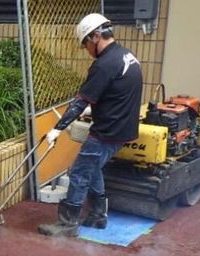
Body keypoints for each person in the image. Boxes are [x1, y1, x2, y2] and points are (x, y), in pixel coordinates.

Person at [39, 13, 143, 237]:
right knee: (93, 167)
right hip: (123, 128)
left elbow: (80, 101)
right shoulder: (126, 55)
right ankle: (97, 216)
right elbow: (115, 92)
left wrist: (57, 128)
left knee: (79, 172)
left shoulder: (104, 64)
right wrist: (93, 109)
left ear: (96, 36)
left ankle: (67, 224)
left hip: (108, 130)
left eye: (86, 42)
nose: (86, 49)